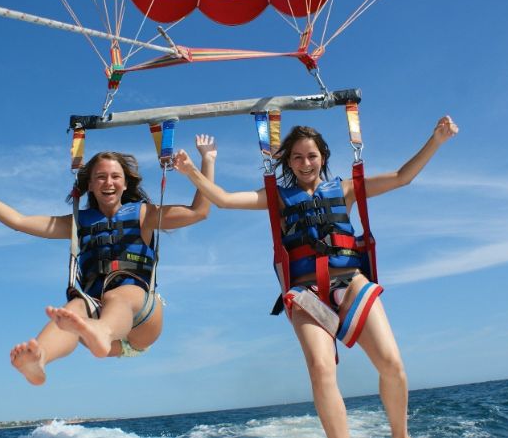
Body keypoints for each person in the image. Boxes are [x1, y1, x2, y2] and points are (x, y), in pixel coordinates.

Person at [173, 118, 458, 438]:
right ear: (288, 161)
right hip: (305, 292)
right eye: (297, 157)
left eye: (311, 156)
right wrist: (192, 171)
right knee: (321, 370)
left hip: (350, 282)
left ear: (323, 156)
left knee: (392, 364)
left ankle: (400, 435)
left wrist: (436, 140)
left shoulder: (347, 188)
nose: (305, 163)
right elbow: (224, 199)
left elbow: (402, 178)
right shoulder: (277, 198)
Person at [0, 135, 217, 385]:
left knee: (120, 295)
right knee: (73, 307)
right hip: (96, 324)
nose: (109, 182)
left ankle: (101, 332)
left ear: (125, 182)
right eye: (100, 177)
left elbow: (199, 211)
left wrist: (206, 161)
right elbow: (19, 221)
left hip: (141, 321)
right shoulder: (78, 223)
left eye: (115, 176)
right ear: (90, 186)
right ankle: (40, 360)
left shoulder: (143, 214)